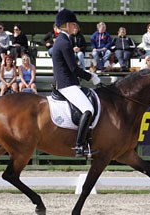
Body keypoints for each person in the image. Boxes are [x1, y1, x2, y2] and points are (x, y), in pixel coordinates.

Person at [53, 9, 101, 157]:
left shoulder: (64, 40)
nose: (76, 27)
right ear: (66, 25)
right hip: (67, 84)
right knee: (88, 110)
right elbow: (73, 68)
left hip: (68, 83)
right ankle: (79, 146)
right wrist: (91, 77)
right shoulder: (64, 42)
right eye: (74, 24)